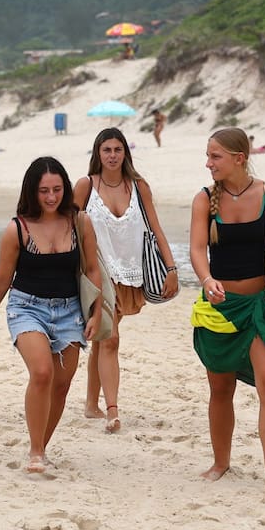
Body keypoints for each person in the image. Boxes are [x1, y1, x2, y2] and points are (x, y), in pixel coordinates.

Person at [0, 156, 103, 474]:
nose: (51, 197)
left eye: (57, 189)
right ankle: (35, 451)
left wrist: (97, 313)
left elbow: (92, 269)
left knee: (61, 384)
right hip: (27, 307)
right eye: (44, 190)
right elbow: (2, 279)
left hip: (71, 309)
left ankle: (41, 447)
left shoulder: (80, 222)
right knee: (43, 373)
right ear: (32, 191)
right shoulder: (19, 228)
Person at [190, 127, 265, 492]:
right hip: (219, 309)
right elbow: (196, 250)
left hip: (260, 308)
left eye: (215, 156)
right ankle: (221, 463)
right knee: (221, 389)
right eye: (208, 156)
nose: (208, 164)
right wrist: (206, 280)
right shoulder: (205, 199)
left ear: (239, 158)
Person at [73, 128, 179, 432]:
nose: (112, 155)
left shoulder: (138, 187)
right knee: (111, 340)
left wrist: (171, 268)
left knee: (103, 338)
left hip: (130, 272)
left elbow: (155, 228)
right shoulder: (85, 186)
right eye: (106, 150)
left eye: (117, 150)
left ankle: (91, 404)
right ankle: (112, 410)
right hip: (98, 272)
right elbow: (69, 226)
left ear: (125, 153)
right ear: (98, 153)